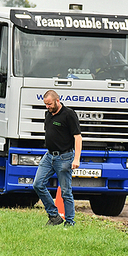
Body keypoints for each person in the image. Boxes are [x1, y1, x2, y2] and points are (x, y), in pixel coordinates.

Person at [33, 89, 82, 226]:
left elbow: (78, 138)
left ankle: (70, 222)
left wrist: (76, 158)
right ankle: (54, 216)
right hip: (49, 156)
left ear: (57, 101)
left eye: (49, 104)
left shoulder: (69, 114)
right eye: (46, 104)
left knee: (66, 192)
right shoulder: (48, 114)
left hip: (65, 157)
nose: (47, 107)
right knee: (38, 184)